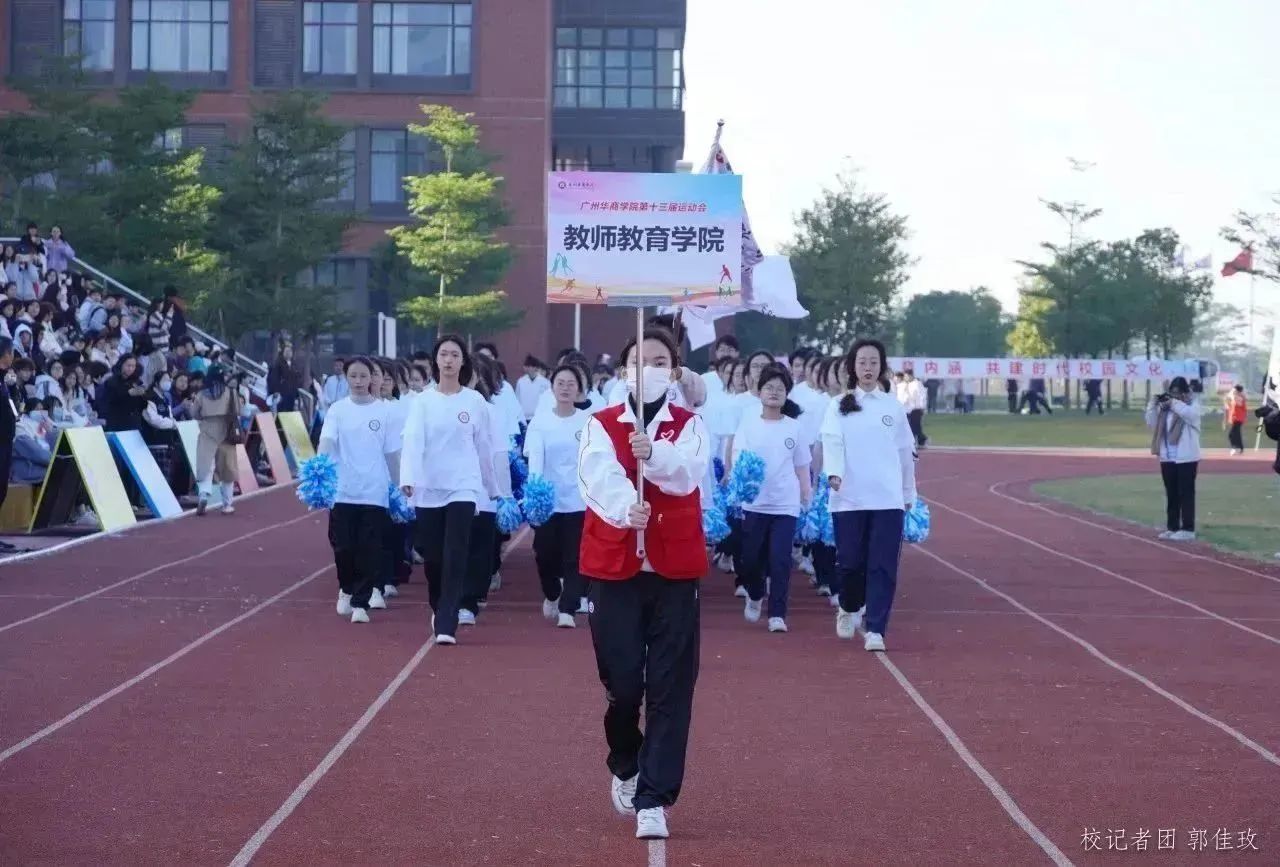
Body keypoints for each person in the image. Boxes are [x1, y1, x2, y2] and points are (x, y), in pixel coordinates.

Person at [576, 327, 709, 841]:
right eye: (638, 361)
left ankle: (654, 798)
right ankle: (626, 760)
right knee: (624, 683)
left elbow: (687, 475)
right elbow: (595, 475)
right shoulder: (601, 423)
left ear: (673, 372)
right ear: (622, 370)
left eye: (658, 362)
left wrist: (654, 453)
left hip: (674, 571)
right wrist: (621, 508)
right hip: (614, 568)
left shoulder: (689, 426)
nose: (647, 370)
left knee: (672, 687)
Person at [399, 335, 496, 645]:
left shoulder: (474, 401)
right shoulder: (422, 401)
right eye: (444, 354)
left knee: (456, 551)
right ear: (436, 360)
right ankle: (439, 604)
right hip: (429, 486)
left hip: (463, 486)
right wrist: (408, 477)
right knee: (434, 556)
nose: (449, 360)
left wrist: (491, 486)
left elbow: (484, 447)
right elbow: (412, 441)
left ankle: (447, 620)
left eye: (455, 354)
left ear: (463, 361)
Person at [821, 339, 917, 653]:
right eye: (862, 362)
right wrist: (834, 472)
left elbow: (905, 452)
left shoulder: (893, 406)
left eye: (874, 362)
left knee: (883, 565)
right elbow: (832, 440)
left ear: (881, 367)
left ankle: (876, 629)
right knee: (850, 562)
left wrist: (908, 491)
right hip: (849, 497)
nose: (868, 368)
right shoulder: (839, 404)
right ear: (853, 366)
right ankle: (849, 605)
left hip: (887, 499)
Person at [318, 357, 401, 624]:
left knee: (369, 547)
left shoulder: (385, 412)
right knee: (344, 547)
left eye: (363, 376)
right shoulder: (338, 410)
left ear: (371, 378)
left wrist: (399, 485)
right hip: (343, 490)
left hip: (374, 491)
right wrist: (319, 470)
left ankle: (360, 602)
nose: (358, 381)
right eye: (353, 376)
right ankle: (346, 587)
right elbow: (327, 441)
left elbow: (392, 453)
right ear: (346, 377)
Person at [732, 365, 811, 633]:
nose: (774, 392)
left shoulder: (794, 428)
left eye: (780, 388)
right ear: (760, 391)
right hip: (755, 503)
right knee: (751, 559)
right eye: (769, 387)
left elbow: (802, 465)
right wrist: (739, 489)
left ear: (787, 393)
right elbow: (738, 459)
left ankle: (778, 613)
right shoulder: (749, 424)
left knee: (780, 560)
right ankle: (755, 595)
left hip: (785, 504)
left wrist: (807, 493)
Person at [525, 363, 591, 627]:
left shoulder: (587, 421)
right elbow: (535, 459)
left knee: (575, 556)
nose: (565, 388)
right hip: (548, 501)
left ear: (579, 389)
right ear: (552, 388)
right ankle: (553, 593)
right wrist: (536, 494)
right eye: (560, 383)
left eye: (571, 384)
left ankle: (568, 609)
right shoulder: (541, 422)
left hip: (578, 499)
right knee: (544, 554)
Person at [1145, 376, 1201, 541]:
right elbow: (1151, 422)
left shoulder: (1192, 406)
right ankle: (1173, 527)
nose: (1175, 396)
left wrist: (1173, 402)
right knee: (1171, 493)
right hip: (1168, 457)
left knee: (1186, 493)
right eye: (1172, 393)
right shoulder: (1166, 410)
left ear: (1185, 393)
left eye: (1178, 393)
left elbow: (1189, 415)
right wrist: (1153, 404)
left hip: (1186, 458)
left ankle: (1188, 529)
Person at [187, 365, 240, 516]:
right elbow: (238, 411)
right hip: (226, 431)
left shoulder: (201, 394)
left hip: (207, 430)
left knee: (206, 466)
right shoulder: (231, 392)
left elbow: (194, 413)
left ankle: (204, 495)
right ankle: (227, 504)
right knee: (227, 469)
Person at [1225, 384, 1247, 455]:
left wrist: (1233, 397)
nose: (1233, 391)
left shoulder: (1240, 397)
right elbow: (1231, 406)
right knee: (1236, 434)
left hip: (1238, 418)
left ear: (1238, 391)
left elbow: (1239, 404)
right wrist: (1228, 401)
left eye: (1235, 390)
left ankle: (1234, 447)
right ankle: (1240, 447)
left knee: (1232, 434)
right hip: (1235, 418)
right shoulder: (1236, 397)